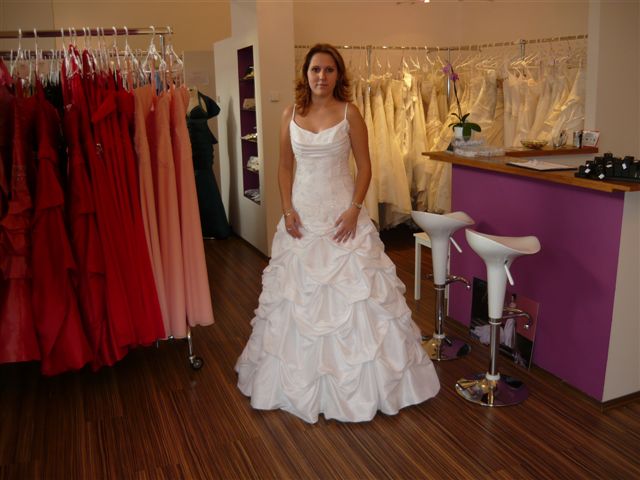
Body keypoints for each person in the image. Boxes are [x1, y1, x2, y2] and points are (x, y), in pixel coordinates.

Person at [235, 44, 440, 423]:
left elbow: (365, 167)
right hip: (301, 219)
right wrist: (287, 209)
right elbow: (284, 167)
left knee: (359, 299)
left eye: (329, 70)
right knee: (297, 300)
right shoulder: (290, 114)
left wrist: (355, 208)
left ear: (338, 75)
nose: (322, 76)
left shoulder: (351, 113)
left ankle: (370, 384)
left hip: (343, 219)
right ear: (306, 73)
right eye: (316, 69)